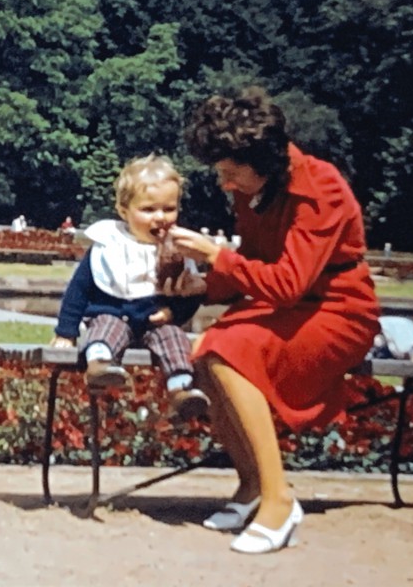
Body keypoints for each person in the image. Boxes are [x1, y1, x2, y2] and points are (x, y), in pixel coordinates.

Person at [164, 88, 380, 554]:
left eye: (229, 172)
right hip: (294, 306)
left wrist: (215, 255)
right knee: (202, 353)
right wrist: (204, 284)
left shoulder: (320, 187)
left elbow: (286, 283)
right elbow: (258, 264)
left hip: (340, 311)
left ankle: (280, 499)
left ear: (260, 159)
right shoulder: (256, 186)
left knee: (228, 352)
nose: (224, 184)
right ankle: (251, 488)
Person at [51, 155, 210, 422]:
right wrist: (65, 332)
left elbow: (191, 293)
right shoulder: (109, 245)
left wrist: (173, 313)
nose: (160, 217)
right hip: (113, 312)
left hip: (155, 322)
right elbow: (78, 291)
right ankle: (100, 366)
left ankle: (181, 389)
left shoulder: (178, 248)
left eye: (168, 209)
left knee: (174, 338)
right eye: (148, 210)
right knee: (106, 326)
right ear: (124, 211)